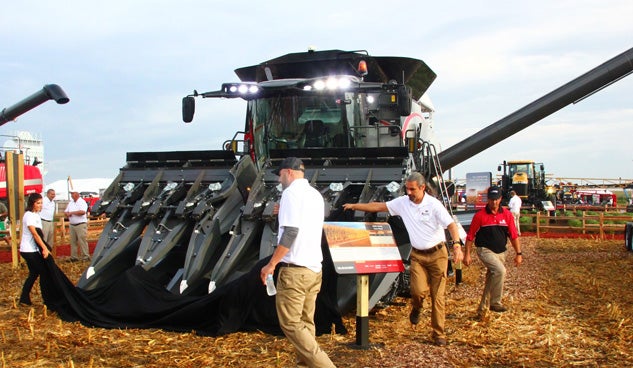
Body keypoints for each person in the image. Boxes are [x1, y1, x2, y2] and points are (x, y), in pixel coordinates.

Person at [343, 172, 463, 347]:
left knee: (438, 296)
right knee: (417, 291)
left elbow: (451, 225)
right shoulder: (402, 203)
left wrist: (457, 245)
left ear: (422, 188)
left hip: (438, 255)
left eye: (412, 189)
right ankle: (417, 307)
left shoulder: (434, 205)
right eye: (407, 188)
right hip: (418, 256)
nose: (408, 192)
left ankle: (439, 333)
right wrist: (355, 206)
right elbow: (379, 206)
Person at [260, 157, 336, 368]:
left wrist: (271, 264)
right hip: (314, 269)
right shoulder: (315, 195)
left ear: (289, 172)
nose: (279, 179)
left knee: (291, 323)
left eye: (280, 174)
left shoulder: (290, 194)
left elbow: (291, 232)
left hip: (295, 271)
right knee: (305, 322)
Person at [464, 185, 522, 316]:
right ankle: (495, 302)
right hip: (485, 250)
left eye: (496, 199)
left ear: (500, 199)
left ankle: (481, 311)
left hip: (501, 251)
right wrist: (467, 254)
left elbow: (513, 236)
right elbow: (470, 236)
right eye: (491, 199)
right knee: (500, 271)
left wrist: (518, 253)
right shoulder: (480, 216)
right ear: (487, 199)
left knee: (492, 278)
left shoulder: (507, 215)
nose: (494, 202)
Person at [19, 193, 51, 305]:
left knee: (34, 273)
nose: (40, 205)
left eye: (41, 203)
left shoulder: (36, 215)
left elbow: (39, 234)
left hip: (33, 249)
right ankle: (47, 298)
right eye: (38, 203)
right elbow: (34, 234)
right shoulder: (28, 215)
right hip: (28, 250)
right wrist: (44, 248)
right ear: (32, 203)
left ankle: (24, 297)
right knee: (42, 271)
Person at [64, 190, 90, 261]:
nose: (71, 195)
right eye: (71, 194)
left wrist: (71, 213)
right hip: (72, 224)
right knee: (73, 242)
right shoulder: (71, 203)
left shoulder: (82, 202)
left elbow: (82, 212)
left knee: (82, 241)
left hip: (80, 224)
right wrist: (67, 213)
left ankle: (85, 256)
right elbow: (66, 211)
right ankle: (74, 257)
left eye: (73, 193)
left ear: (77, 194)